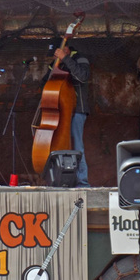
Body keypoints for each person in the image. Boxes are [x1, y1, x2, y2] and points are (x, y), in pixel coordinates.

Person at [44, 43, 91, 187]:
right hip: (58, 112)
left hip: (77, 109)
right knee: (57, 146)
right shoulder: (55, 63)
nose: (55, 56)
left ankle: (82, 182)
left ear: (65, 49)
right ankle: (58, 180)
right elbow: (45, 84)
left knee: (77, 146)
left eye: (57, 52)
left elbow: (82, 77)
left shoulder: (80, 58)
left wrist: (66, 59)